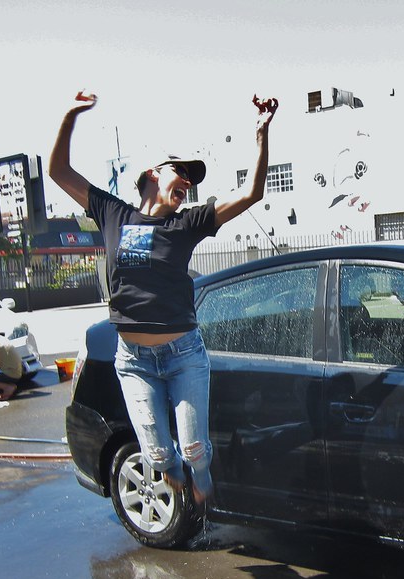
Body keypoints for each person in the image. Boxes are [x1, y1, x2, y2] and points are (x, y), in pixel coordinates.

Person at [48, 90, 279, 509]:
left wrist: (261, 135)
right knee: (158, 456)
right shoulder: (112, 212)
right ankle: (172, 472)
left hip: (183, 355)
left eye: (193, 179)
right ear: (154, 173)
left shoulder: (187, 223)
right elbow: (58, 170)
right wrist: (70, 115)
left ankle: (201, 475)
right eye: (182, 173)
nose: (189, 183)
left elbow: (251, 194)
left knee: (194, 450)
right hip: (133, 360)